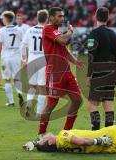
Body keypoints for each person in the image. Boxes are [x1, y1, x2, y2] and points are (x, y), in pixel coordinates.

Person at [38, 7, 83, 135]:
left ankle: (66, 133)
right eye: (59, 16)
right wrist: (70, 32)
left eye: (62, 16)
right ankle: (40, 134)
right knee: (51, 104)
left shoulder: (57, 31)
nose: (62, 18)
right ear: (51, 17)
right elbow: (63, 40)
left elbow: (64, 50)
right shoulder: (48, 29)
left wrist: (76, 62)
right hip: (54, 73)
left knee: (77, 100)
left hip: (67, 72)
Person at [86, 7, 116, 131]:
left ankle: (96, 133)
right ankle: (108, 135)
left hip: (99, 72)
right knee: (108, 104)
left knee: (92, 105)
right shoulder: (114, 35)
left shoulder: (94, 33)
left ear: (95, 17)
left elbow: (91, 55)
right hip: (112, 73)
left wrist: (89, 75)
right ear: (108, 18)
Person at [20, 9, 48, 116]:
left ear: (37, 18)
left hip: (31, 59)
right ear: (46, 19)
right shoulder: (47, 30)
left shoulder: (30, 30)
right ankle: (39, 113)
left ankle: (29, 105)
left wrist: (24, 60)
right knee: (42, 87)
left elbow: (23, 46)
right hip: (43, 60)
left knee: (32, 85)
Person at [0, 11, 23, 106]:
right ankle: (20, 93)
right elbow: (23, 44)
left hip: (6, 57)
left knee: (7, 79)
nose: (2, 20)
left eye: (3, 18)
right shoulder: (19, 30)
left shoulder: (1, 31)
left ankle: (11, 102)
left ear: (6, 19)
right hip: (16, 57)